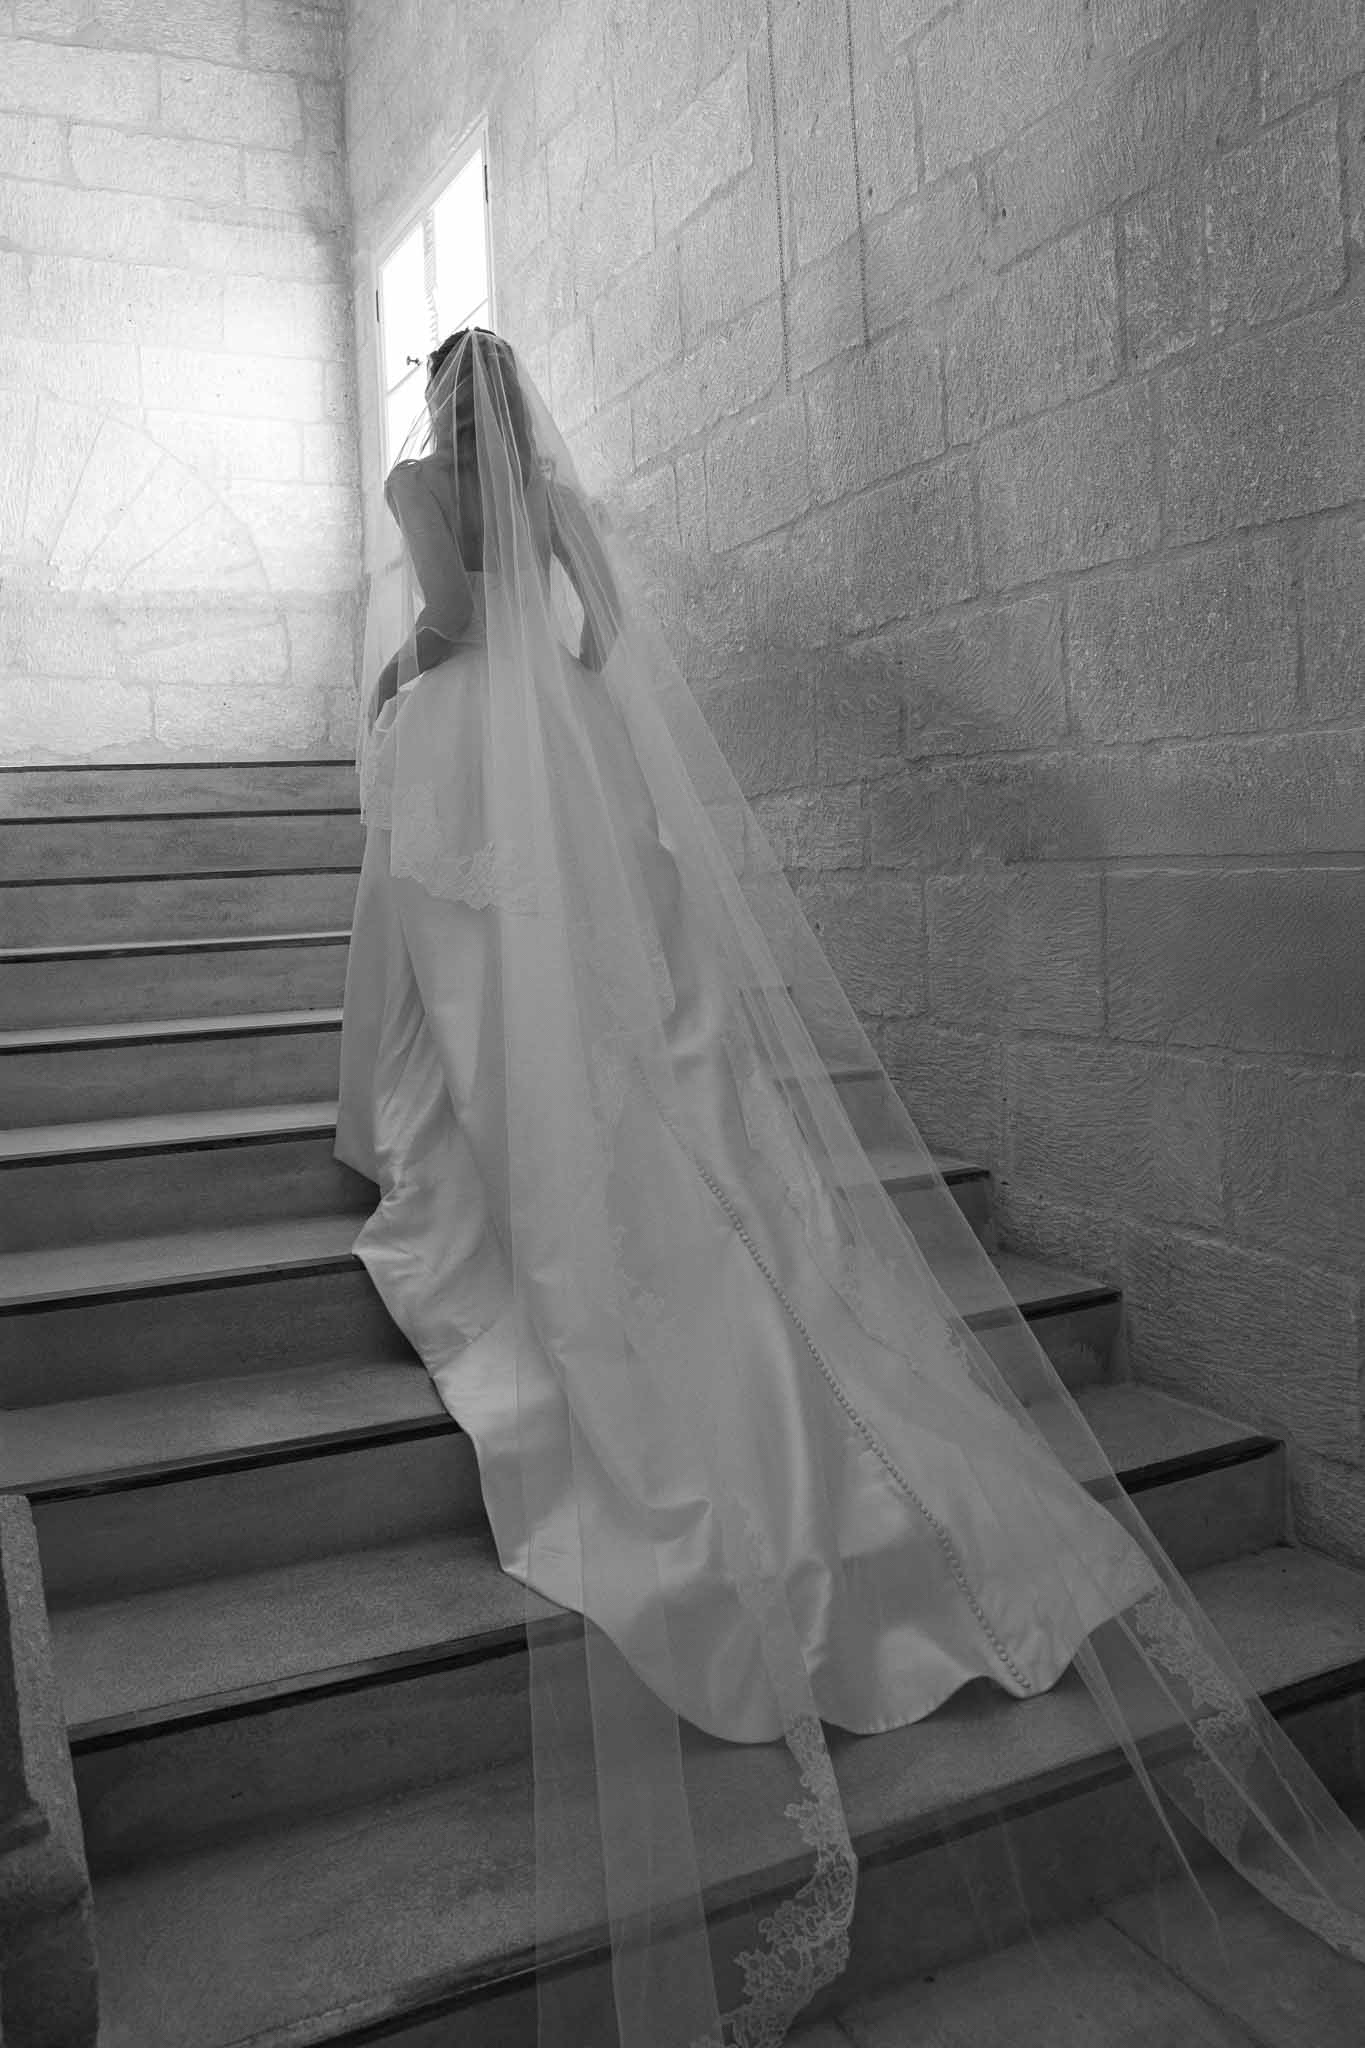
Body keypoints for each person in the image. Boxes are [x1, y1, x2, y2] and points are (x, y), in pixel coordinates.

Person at [337, 326, 1365, 2047]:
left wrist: (405, 683)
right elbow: (598, 638)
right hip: (575, 766)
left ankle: (469, 1162)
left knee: (494, 1005)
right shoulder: (566, 497)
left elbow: (446, 618)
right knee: (643, 1044)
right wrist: (559, 705)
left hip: (465, 757)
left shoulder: (415, 488)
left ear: (437, 413)